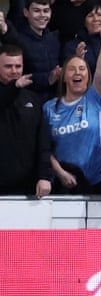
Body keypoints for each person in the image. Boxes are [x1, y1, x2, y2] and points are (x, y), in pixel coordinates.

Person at [43, 17, 101, 194]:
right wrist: (60, 173)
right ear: (64, 77)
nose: (78, 72)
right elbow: (44, 148)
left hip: (98, 179)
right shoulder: (49, 107)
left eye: (82, 69)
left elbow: (100, 73)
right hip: (64, 181)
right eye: (72, 69)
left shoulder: (93, 98)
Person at [0, 44, 53, 197]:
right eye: (8, 66)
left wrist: (44, 176)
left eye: (18, 66)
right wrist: (14, 87)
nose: (14, 71)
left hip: (27, 186)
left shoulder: (33, 99)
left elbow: (43, 143)